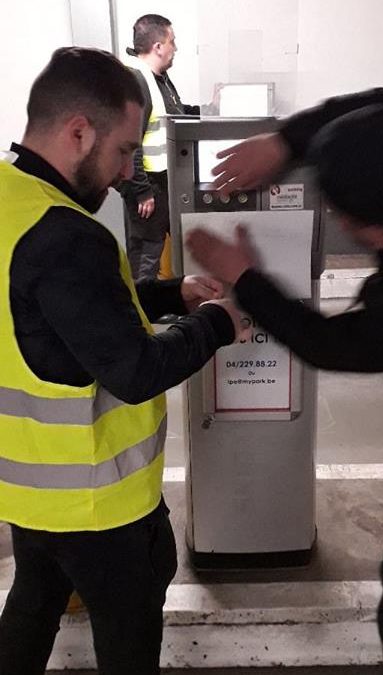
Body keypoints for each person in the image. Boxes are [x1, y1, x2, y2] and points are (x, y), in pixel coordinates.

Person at [186, 86, 383, 675]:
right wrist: (285, 140)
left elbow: (333, 345)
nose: (336, 222)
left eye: (348, 219)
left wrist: (245, 278)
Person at [0, 47, 245, 675]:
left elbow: (54, 315)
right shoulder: (66, 235)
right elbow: (133, 371)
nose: (125, 170)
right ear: (78, 131)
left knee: (32, 605)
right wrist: (218, 322)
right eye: (122, 150)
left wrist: (169, 293)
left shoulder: (10, 201)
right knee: (128, 640)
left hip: (28, 493)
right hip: (97, 504)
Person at [121, 13, 200, 284]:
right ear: (158, 47)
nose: (175, 48)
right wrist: (141, 191)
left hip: (165, 183)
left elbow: (174, 114)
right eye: (172, 42)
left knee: (169, 247)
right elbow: (128, 142)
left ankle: (166, 304)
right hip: (148, 188)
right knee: (147, 255)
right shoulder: (136, 82)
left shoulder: (159, 79)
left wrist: (209, 110)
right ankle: (144, 313)